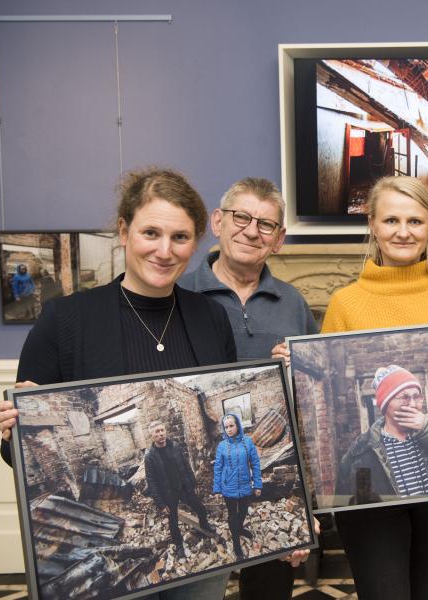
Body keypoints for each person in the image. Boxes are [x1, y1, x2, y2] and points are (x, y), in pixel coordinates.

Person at [0, 167, 236, 600]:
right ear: (124, 231)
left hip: (202, 572)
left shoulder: (211, 318)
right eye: (150, 232)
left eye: (180, 237)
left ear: (196, 243)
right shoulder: (65, 322)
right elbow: (17, 457)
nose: (165, 250)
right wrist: (17, 426)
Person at [321, 175, 428, 600]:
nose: (403, 231)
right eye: (391, 220)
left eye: (415, 220)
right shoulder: (345, 303)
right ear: (372, 224)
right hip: (371, 502)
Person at [179, 176, 316, 597]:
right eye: (241, 217)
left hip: (274, 468)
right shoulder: (178, 292)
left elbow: (312, 390)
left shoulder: (293, 302)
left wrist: (301, 367)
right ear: (218, 222)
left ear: (279, 240)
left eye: (266, 224)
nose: (252, 231)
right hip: (208, 469)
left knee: (270, 587)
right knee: (200, 581)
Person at [335, 365, 428, 499]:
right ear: (385, 404)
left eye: (417, 396)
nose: (413, 405)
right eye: (404, 397)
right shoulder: (360, 453)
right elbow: (350, 508)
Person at [145, 420, 216, 558]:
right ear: (152, 436)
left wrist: (194, 483)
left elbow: (186, 466)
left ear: (165, 431)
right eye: (157, 432)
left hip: (183, 487)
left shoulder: (175, 447)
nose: (160, 434)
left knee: (200, 507)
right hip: (167, 493)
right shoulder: (150, 457)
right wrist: (161, 503)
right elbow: (151, 482)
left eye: (162, 430)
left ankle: (204, 524)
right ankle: (179, 545)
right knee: (173, 522)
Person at [213, 413, 262, 559]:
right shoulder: (222, 446)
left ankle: (239, 529)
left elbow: (255, 463)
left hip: (245, 485)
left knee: (243, 512)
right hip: (229, 487)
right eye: (226, 427)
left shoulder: (248, 442)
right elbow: (218, 468)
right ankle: (236, 542)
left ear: (238, 425)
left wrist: (257, 484)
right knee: (233, 516)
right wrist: (217, 488)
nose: (229, 429)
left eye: (231, 426)